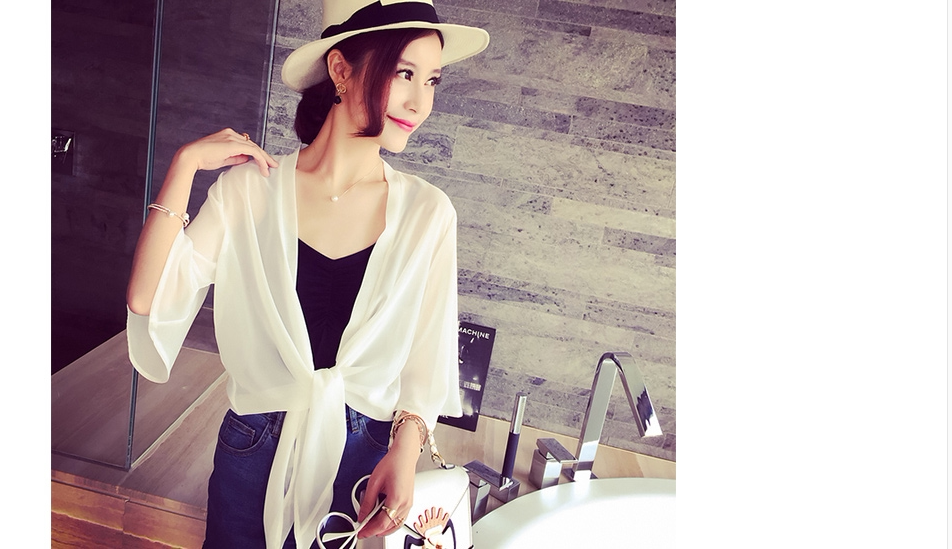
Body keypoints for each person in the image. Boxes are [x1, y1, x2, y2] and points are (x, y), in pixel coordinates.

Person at [124, 1, 490, 547]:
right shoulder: (250, 192)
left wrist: (406, 452)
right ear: (340, 69)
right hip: (254, 444)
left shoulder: (428, 212)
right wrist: (185, 165)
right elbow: (147, 297)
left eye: (432, 80)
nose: (420, 102)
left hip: (365, 452)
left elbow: (427, 352)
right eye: (404, 73)